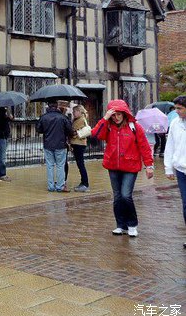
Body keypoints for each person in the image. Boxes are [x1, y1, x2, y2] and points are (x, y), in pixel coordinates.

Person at [92, 99, 154, 237]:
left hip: (130, 166)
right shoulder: (108, 126)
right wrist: (105, 118)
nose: (116, 117)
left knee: (126, 195)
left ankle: (132, 224)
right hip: (113, 166)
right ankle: (121, 225)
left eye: (119, 114)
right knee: (117, 197)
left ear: (125, 114)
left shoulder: (134, 127)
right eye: (113, 115)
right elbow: (95, 134)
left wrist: (149, 165)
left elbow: (144, 146)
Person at [164, 95, 186, 249]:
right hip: (181, 170)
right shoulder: (175, 123)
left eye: (180, 108)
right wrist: (168, 167)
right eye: (176, 108)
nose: (176, 111)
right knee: (185, 204)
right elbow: (170, 145)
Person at [37, 101, 74, 192]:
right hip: (60, 145)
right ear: (57, 106)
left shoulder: (43, 117)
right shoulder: (63, 117)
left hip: (48, 144)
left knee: (49, 165)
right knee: (60, 165)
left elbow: (39, 129)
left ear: (48, 106)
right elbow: (70, 131)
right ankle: (60, 186)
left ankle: (50, 186)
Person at [70, 104, 90, 192]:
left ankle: (85, 184)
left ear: (79, 111)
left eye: (74, 111)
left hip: (79, 144)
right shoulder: (78, 119)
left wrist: (71, 132)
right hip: (78, 143)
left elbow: (74, 132)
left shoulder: (81, 120)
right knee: (80, 164)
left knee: (81, 164)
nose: (73, 113)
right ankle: (83, 182)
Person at [0, 107, 13, 182]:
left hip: (2, 136)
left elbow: (8, 120)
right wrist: (7, 117)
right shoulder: (0, 112)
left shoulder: (1, 112)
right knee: (2, 156)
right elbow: (2, 124)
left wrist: (8, 116)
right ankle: (2, 175)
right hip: (2, 136)